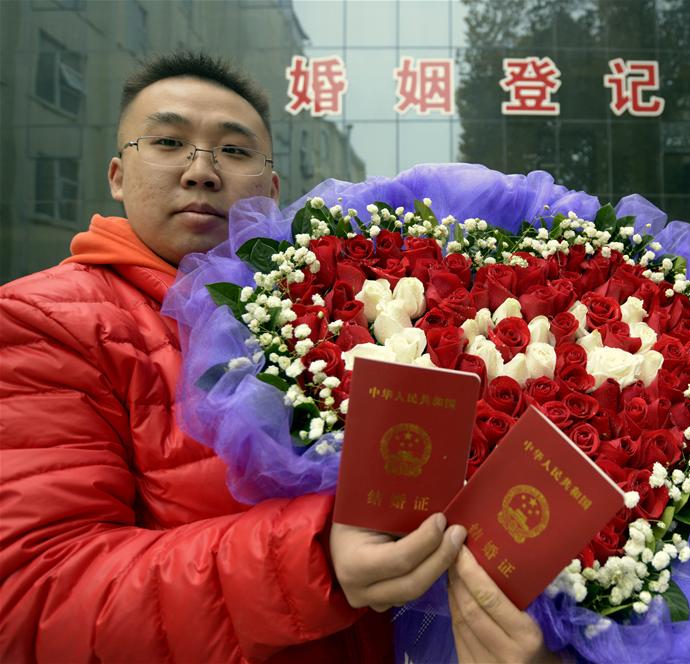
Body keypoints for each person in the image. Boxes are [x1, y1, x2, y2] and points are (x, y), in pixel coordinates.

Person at [0, 51, 465, 662]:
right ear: (117, 174)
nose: (201, 171)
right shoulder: (46, 320)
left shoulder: (328, 314)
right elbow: (38, 596)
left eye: (234, 151)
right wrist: (314, 556)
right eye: (168, 141)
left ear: (271, 190)